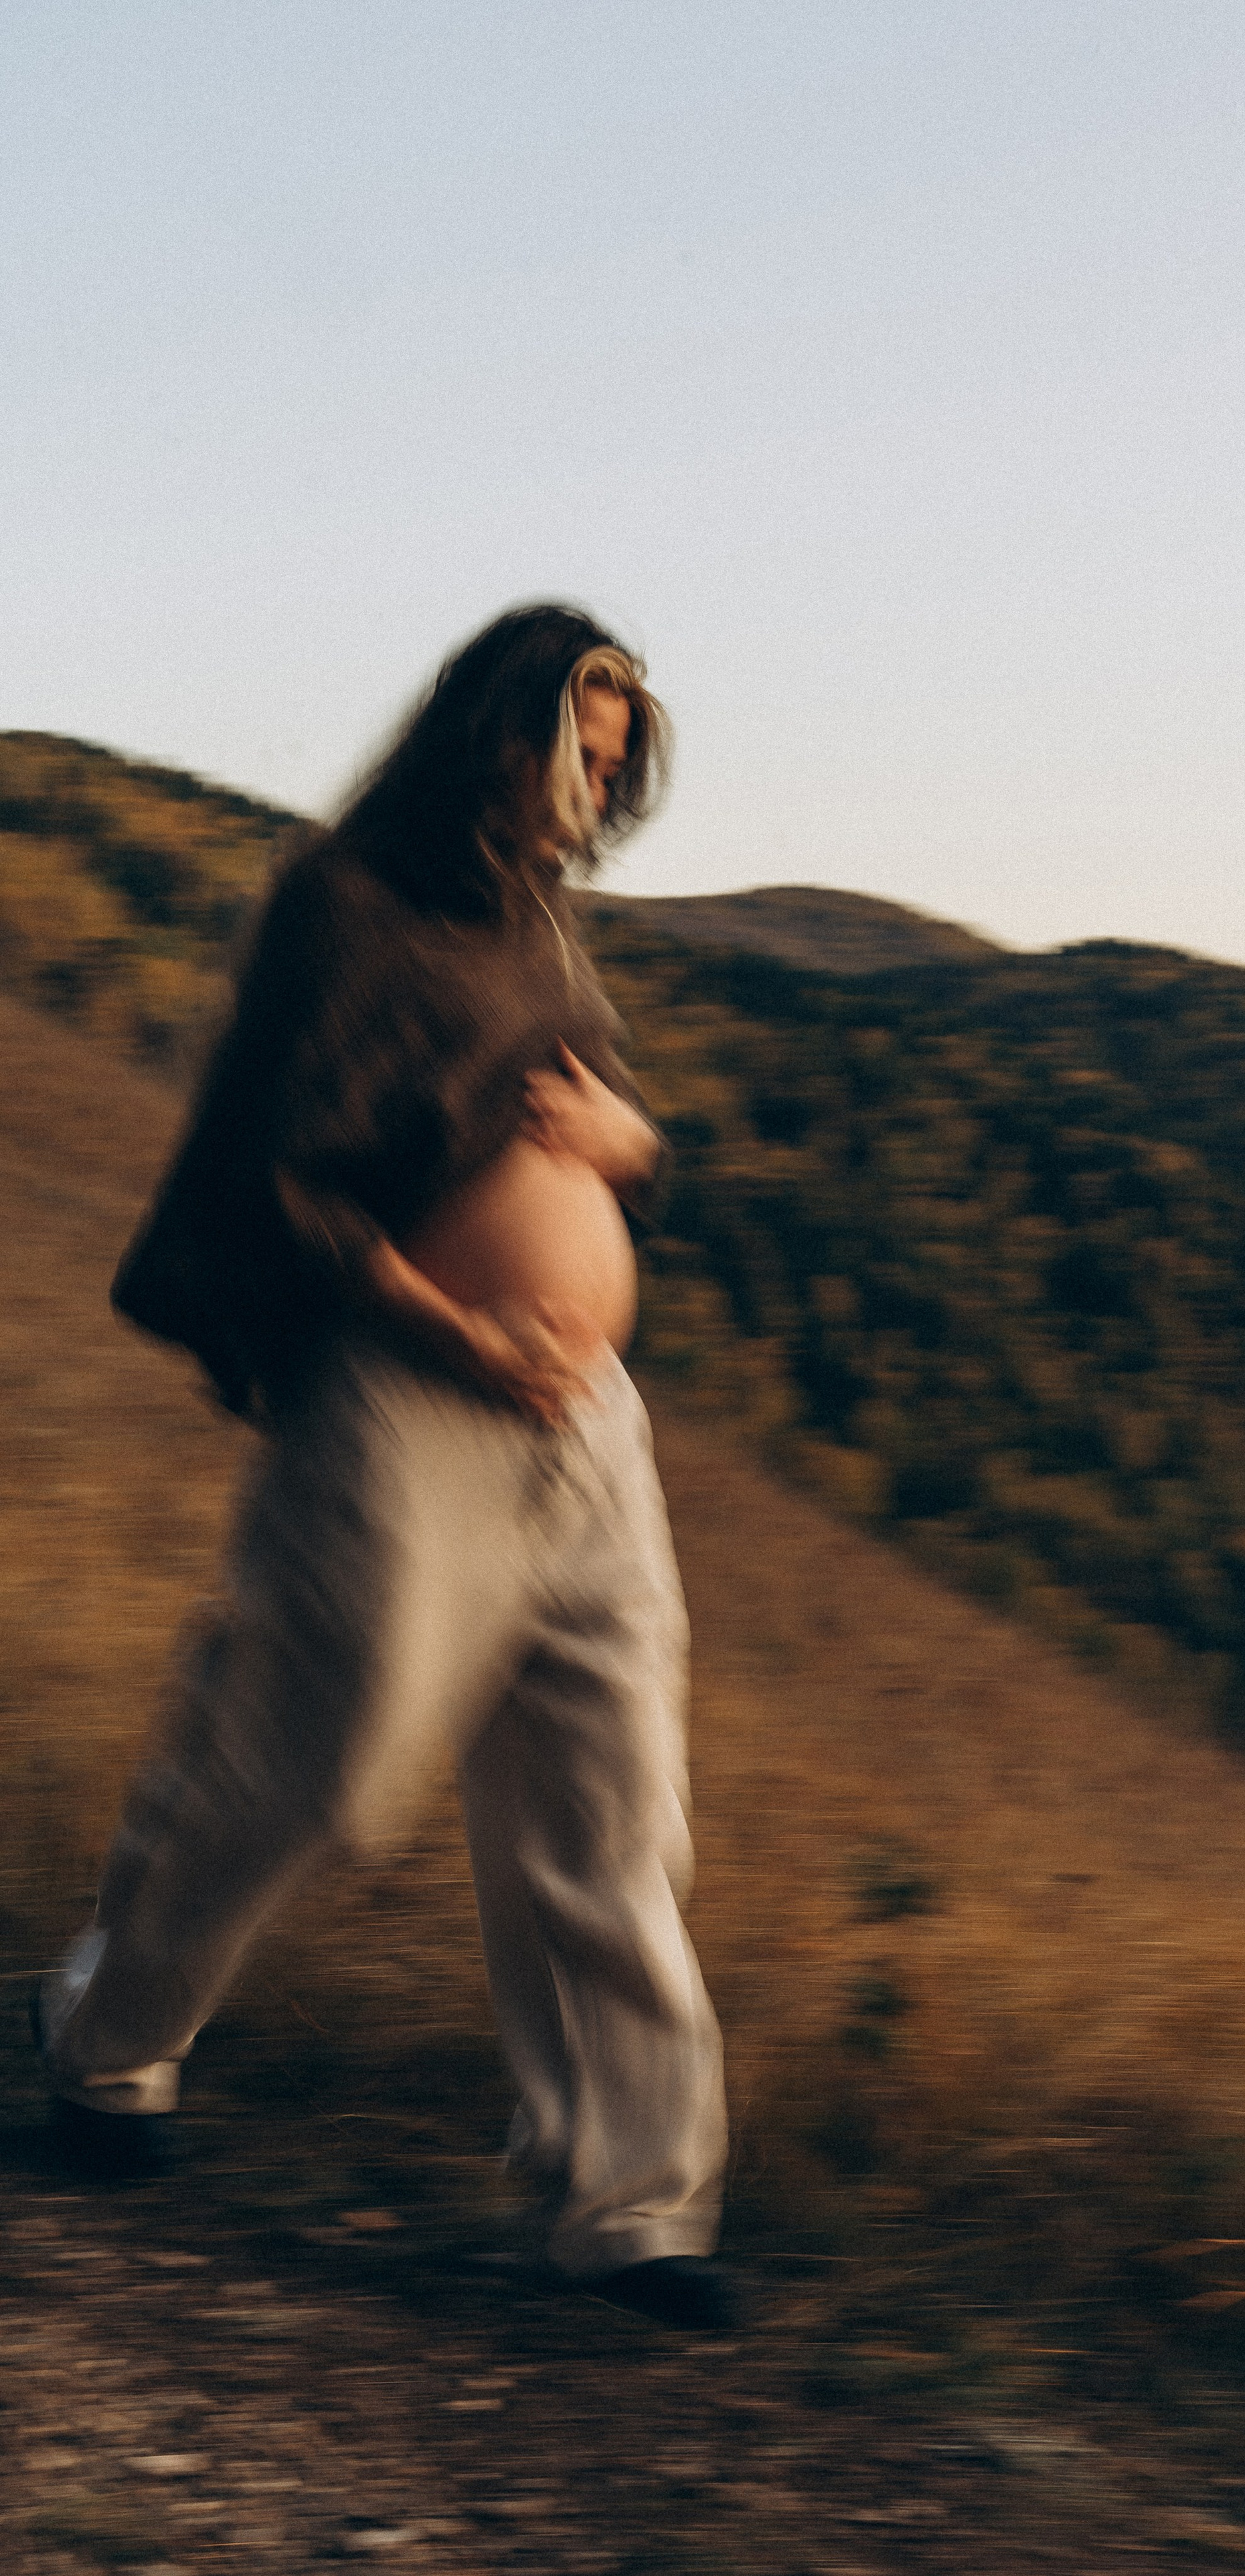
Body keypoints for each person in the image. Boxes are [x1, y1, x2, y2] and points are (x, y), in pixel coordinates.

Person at [34, 605, 734, 2331]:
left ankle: (631, 2205)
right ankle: (108, 2045)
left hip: (585, 1420)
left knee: (610, 1796)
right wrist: (463, 1332)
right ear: (494, 733)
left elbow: (595, 1127)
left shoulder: (542, 925)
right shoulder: (343, 906)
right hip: (403, 1404)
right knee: (308, 1757)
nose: (596, 790)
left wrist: (636, 1147)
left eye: (617, 764)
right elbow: (286, 1183)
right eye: (578, 751)